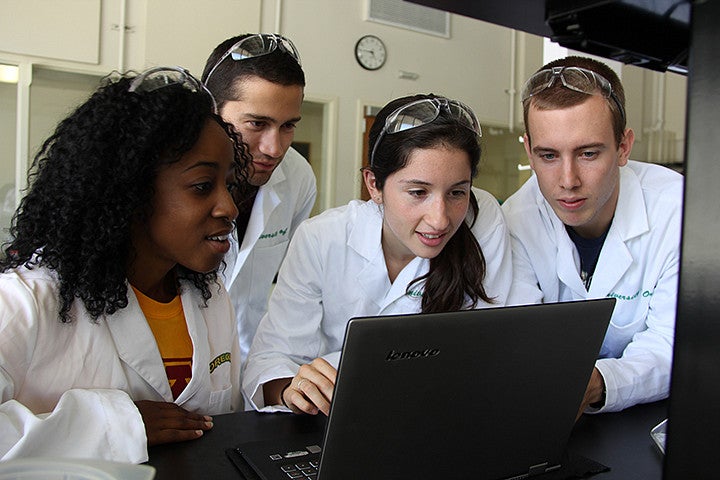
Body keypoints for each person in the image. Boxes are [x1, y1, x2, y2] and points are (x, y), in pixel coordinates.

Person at [0, 66, 250, 463]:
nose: (229, 207)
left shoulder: (210, 297)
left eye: (230, 184)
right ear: (128, 193)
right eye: (203, 186)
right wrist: (116, 425)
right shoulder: (23, 303)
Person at [243, 94, 513, 415]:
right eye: (418, 192)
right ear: (374, 185)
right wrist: (293, 389)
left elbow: (499, 343)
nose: (440, 219)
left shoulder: (483, 219)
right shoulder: (322, 238)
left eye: (457, 192)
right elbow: (270, 360)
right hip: (338, 419)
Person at [502, 56, 682, 414]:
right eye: (549, 155)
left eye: (588, 153)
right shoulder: (514, 221)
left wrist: (599, 382)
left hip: (649, 417)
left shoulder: (676, 208)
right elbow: (520, 341)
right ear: (529, 152)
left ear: (623, 147)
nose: (568, 180)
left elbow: (672, 343)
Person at [201, 34, 317, 365]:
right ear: (211, 108)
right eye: (256, 124)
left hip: (248, 360)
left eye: (288, 126)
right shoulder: (165, 176)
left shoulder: (298, 178)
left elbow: (283, 290)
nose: (274, 148)